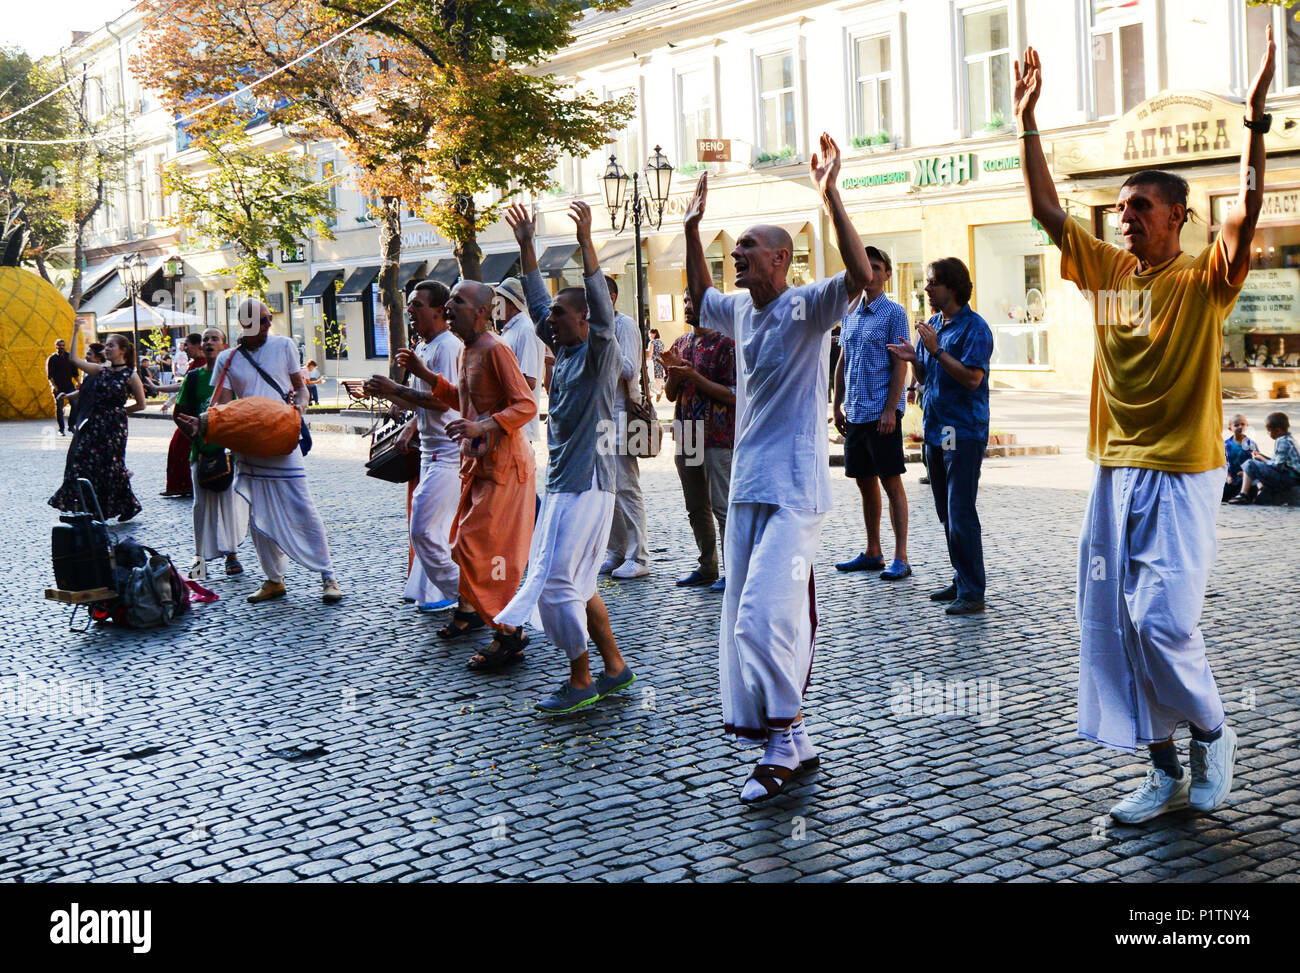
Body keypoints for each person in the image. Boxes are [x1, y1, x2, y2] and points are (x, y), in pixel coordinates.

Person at [1014, 32, 1273, 822]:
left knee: (1163, 620)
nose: (1123, 218)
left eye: (1140, 207)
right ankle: (1161, 770)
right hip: (1114, 468)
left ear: (1178, 219)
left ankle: (1213, 731)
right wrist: (1026, 121)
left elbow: (1250, 208)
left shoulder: (1205, 279)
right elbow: (1046, 212)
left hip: (1186, 470)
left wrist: (1256, 117)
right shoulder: (1109, 270)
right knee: (1119, 625)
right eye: (1121, 207)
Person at [684, 133, 872, 803]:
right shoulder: (739, 309)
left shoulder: (807, 307)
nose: (735, 257)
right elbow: (701, 299)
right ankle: (788, 738)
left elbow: (862, 276)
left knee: (761, 617)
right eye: (733, 250)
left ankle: (786, 736)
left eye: (747, 249)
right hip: (748, 494)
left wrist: (831, 196)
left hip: (796, 492)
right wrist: (690, 228)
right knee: (746, 612)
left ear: (782, 259)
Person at [495, 200, 635, 713]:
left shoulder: (601, 351)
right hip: (563, 485)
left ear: (584, 320)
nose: (547, 319)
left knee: (556, 585)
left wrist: (587, 242)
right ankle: (615, 668)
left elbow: (599, 304)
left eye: (559, 313)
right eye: (549, 314)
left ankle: (581, 679)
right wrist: (527, 245)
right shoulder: (568, 347)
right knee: (579, 583)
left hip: (590, 486)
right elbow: (536, 302)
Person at [393, 278, 537, 670]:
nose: (449, 306)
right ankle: (489, 620)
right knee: (465, 547)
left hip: (506, 468)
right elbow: (462, 399)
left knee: (480, 552)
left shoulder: (496, 349)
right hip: (478, 466)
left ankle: (508, 633)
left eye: (457, 300)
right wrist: (424, 373)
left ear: (481, 311)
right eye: (449, 299)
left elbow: (526, 405)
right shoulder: (468, 350)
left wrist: (482, 426)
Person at [177, 300, 342, 604]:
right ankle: (274, 580)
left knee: (302, 506)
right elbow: (223, 408)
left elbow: (300, 387)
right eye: (260, 321)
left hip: (281, 440)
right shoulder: (229, 358)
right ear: (245, 324)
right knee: (258, 515)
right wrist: (202, 426)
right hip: (249, 445)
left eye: (267, 320)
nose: (266, 326)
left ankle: (328, 576)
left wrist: (299, 407)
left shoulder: (284, 345)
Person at [887, 258, 992, 615]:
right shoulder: (933, 325)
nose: (926, 288)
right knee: (946, 512)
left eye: (932, 282)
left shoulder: (974, 328)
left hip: (962, 431)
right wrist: (914, 359)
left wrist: (935, 351)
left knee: (960, 510)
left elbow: (972, 379)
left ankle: (973, 591)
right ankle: (960, 578)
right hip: (937, 430)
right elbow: (928, 375)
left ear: (952, 287)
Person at [364, 280, 464, 613]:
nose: (410, 310)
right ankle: (436, 593)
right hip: (429, 453)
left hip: (449, 455)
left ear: (439, 311)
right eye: (409, 304)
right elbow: (416, 404)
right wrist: (386, 394)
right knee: (429, 529)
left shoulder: (448, 347)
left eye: (417, 304)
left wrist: (396, 388)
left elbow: (443, 403)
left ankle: (466, 592)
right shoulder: (422, 348)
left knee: (422, 529)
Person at [834, 245, 913, 580]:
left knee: (891, 483)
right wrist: (837, 401)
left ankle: (901, 556)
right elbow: (842, 360)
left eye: (877, 268)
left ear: (887, 274)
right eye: (866, 267)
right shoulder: (849, 311)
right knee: (865, 484)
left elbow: (900, 365)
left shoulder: (894, 313)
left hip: (881, 414)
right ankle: (873, 551)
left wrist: (890, 410)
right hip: (855, 413)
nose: (871, 273)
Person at [662, 286, 735, 593]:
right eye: (686, 300)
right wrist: (675, 373)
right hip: (688, 435)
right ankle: (707, 567)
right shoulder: (681, 342)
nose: (688, 306)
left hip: (718, 436)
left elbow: (734, 395)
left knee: (722, 507)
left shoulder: (727, 344)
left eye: (694, 301)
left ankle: (733, 571)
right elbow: (670, 394)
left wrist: (694, 377)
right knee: (696, 506)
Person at [49, 332, 145, 522]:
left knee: (111, 467)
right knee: (80, 460)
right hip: (94, 423)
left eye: (111, 346)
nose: (106, 349)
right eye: (106, 346)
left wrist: (119, 412)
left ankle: (121, 506)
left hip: (114, 427)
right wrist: (75, 331)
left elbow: (141, 404)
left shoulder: (130, 375)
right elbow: (74, 359)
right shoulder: (101, 370)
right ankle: (86, 505)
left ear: (123, 350)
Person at [176, 328, 247, 580]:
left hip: (229, 454)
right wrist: (195, 436)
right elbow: (179, 413)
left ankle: (232, 555)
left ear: (224, 345)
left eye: (214, 338)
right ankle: (199, 559)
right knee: (201, 507)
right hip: (202, 455)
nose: (208, 342)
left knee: (229, 504)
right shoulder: (194, 378)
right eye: (205, 339)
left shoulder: (235, 377)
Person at [599, 275, 652, 580]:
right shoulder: (592, 328)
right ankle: (616, 551)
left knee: (626, 487)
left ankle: (638, 554)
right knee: (608, 488)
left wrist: (604, 344)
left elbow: (630, 368)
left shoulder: (624, 325)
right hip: (601, 417)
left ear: (613, 296)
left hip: (621, 416)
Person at [492, 276, 546, 447]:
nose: (494, 305)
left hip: (519, 423)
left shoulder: (525, 329)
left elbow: (529, 380)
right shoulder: (510, 330)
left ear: (510, 303)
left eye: (497, 300)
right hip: (507, 420)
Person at [161, 332, 204, 499]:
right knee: (178, 446)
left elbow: (183, 388)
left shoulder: (203, 364)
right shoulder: (193, 365)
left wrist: (161, 392)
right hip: (188, 411)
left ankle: (189, 484)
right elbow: (184, 388)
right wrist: (169, 401)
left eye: (187, 345)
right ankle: (182, 485)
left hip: (197, 412)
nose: (185, 348)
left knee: (183, 445)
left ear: (197, 345)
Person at [1233, 411, 1300, 504]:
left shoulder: (1283, 442)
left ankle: (1243, 494)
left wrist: (1262, 459)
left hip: (1289, 479)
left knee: (1250, 464)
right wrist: (1262, 456)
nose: (1267, 433)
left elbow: (1277, 466)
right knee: (1253, 465)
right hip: (1289, 477)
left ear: (1278, 431)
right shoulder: (1289, 439)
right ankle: (1259, 487)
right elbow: (1278, 461)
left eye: (1269, 431)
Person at [1222, 413, 1259, 502]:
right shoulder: (1226, 444)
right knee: (1223, 494)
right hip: (1231, 477)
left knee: (1250, 489)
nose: (1240, 427)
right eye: (1236, 425)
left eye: (1243, 424)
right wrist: (1228, 476)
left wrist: (1246, 473)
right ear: (1230, 428)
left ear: (1247, 426)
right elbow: (1222, 462)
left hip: (1245, 477)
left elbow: (1256, 460)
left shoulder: (1251, 444)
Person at [47, 339, 78, 436]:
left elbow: (74, 372)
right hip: (58, 387)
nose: (61, 347)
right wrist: (53, 385)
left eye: (63, 345)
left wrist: (79, 382)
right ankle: (61, 429)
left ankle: (71, 426)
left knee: (75, 404)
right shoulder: (52, 359)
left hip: (69, 386)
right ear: (55, 346)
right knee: (59, 407)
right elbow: (50, 375)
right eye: (59, 345)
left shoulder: (69, 357)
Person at [648, 328, 665, 402]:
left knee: (651, 379)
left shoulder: (652, 342)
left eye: (650, 334)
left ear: (654, 334)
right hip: (660, 361)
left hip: (653, 362)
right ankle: (658, 392)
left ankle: (657, 392)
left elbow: (650, 354)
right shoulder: (661, 342)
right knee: (658, 379)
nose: (649, 335)